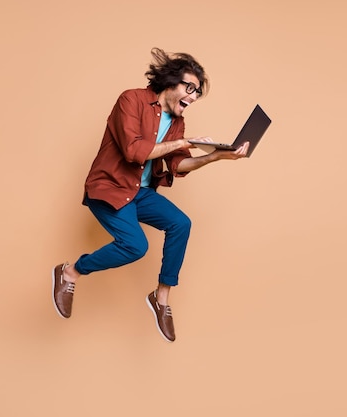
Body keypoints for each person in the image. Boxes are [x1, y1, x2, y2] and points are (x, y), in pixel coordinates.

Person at [52, 47, 249, 342]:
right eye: (190, 88)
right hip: (110, 188)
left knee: (181, 224)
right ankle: (70, 272)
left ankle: (162, 298)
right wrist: (185, 141)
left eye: (197, 93)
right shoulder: (131, 100)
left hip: (140, 193)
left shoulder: (177, 122)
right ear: (170, 82)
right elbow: (134, 152)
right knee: (135, 246)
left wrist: (215, 157)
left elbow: (177, 164)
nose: (193, 97)